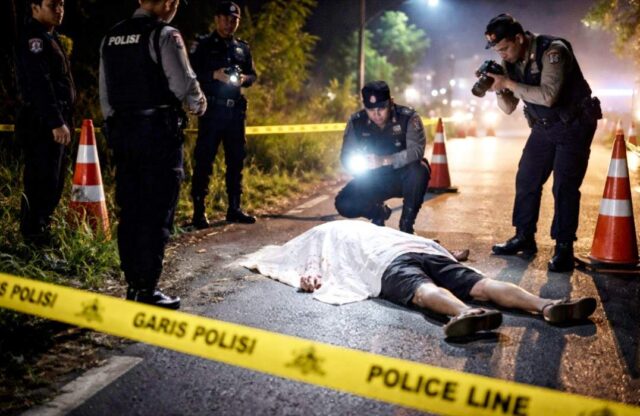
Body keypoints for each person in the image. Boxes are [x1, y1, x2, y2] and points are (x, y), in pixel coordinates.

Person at [240, 220, 597, 338]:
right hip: (421, 249)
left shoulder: (327, 230)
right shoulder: (379, 228)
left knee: (423, 290)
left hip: (385, 263)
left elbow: (312, 260)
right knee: (482, 285)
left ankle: (463, 313)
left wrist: (310, 274)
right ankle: (546, 305)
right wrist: (450, 254)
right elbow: (429, 243)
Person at [99, 0, 207, 309]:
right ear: (168, 3)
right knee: (157, 209)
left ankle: (133, 284)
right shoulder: (165, 35)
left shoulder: (111, 37)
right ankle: (146, 288)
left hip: (124, 134)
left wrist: (116, 125)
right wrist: (199, 104)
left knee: (131, 208)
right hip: (158, 135)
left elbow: (105, 93)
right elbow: (183, 83)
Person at [482, 14, 602, 272]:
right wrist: (499, 87)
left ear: (519, 38)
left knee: (564, 186)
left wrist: (508, 82)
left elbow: (549, 96)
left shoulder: (552, 51)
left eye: (505, 48)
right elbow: (508, 107)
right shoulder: (509, 61)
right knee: (527, 178)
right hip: (544, 126)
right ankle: (524, 236)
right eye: (497, 50)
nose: (503, 55)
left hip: (574, 123)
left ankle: (564, 247)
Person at [189, 1, 258, 229]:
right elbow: (190, 73)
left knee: (236, 160)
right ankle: (199, 212)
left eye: (234, 20)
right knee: (204, 161)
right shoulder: (203, 45)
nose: (230, 23)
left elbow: (253, 75)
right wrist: (214, 75)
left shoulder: (242, 48)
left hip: (235, 111)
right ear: (217, 19)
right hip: (212, 111)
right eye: (226, 19)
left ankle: (234, 208)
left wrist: (244, 79)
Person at [335, 80, 430, 234]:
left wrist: (384, 160)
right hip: (373, 178)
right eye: (371, 109)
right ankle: (378, 213)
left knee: (420, 170)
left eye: (381, 108)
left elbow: (417, 150)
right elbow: (345, 155)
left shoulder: (408, 117)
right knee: (343, 203)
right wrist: (356, 163)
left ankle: (406, 226)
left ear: (391, 102)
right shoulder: (356, 122)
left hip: (402, 177)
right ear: (364, 106)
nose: (376, 114)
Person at [15, 0, 75, 246]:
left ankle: (41, 234)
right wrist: (55, 121)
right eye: (52, 5)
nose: (59, 9)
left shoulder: (51, 36)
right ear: (35, 7)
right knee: (41, 180)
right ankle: (33, 239)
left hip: (54, 119)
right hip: (42, 122)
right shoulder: (34, 40)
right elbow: (39, 84)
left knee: (53, 180)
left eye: (62, 4)